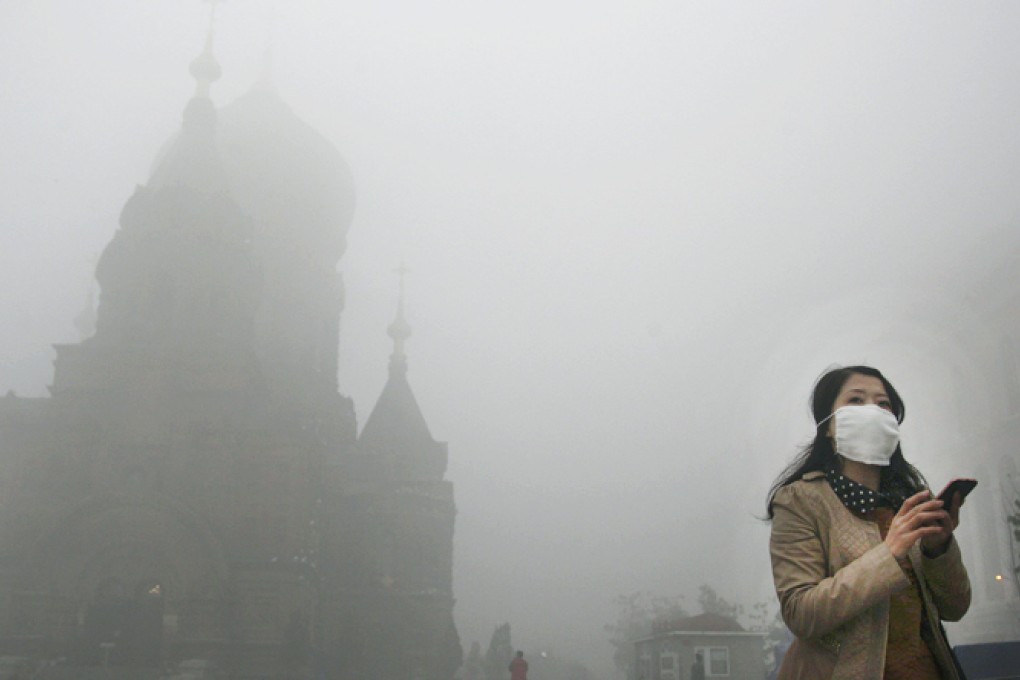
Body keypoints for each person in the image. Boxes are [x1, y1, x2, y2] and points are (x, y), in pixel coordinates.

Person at [766, 365, 971, 679]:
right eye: (856, 401)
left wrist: (938, 549)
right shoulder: (800, 500)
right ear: (828, 426)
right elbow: (800, 613)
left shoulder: (908, 501)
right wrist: (888, 555)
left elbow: (955, 608)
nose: (872, 411)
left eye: (883, 404)